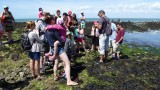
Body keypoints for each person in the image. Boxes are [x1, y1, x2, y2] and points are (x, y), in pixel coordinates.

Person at [44, 15, 78, 85]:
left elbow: (48, 40)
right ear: (52, 21)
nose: (55, 20)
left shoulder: (46, 30)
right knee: (67, 62)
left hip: (52, 48)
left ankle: (55, 76)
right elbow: (60, 40)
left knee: (56, 63)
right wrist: (63, 39)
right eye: (54, 19)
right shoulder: (54, 30)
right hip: (59, 49)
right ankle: (69, 81)